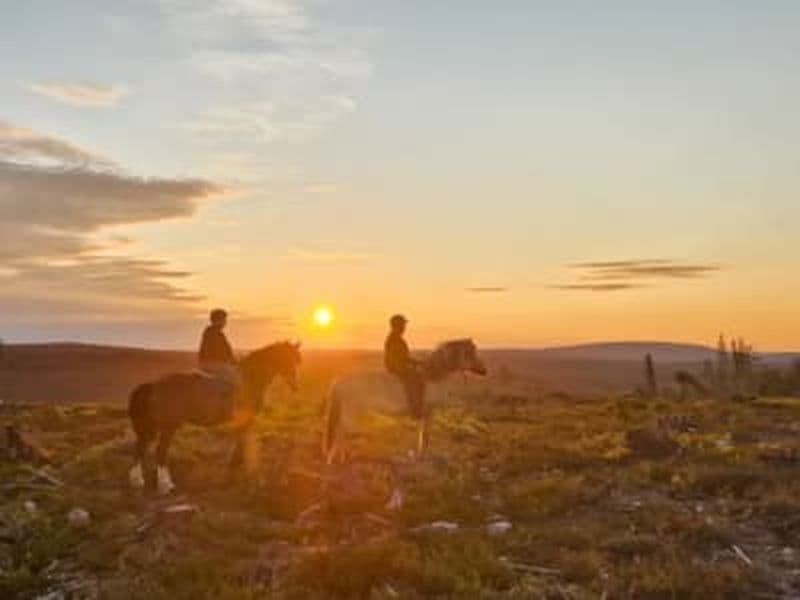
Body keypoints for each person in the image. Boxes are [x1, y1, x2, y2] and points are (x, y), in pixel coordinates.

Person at [384, 314, 425, 418]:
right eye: (403, 325)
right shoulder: (394, 338)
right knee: (416, 379)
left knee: (417, 375)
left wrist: (417, 362)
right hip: (396, 366)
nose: (404, 328)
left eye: (404, 325)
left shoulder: (397, 338)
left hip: (398, 365)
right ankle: (414, 409)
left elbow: (405, 357)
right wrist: (410, 365)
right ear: (397, 325)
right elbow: (398, 357)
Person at [198, 309, 242, 390]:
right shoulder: (214, 333)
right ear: (218, 320)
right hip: (213, 363)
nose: (225, 322)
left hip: (211, 362)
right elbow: (221, 351)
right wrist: (232, 361)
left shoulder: (213, 332)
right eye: (224, 320)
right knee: (237, 379)